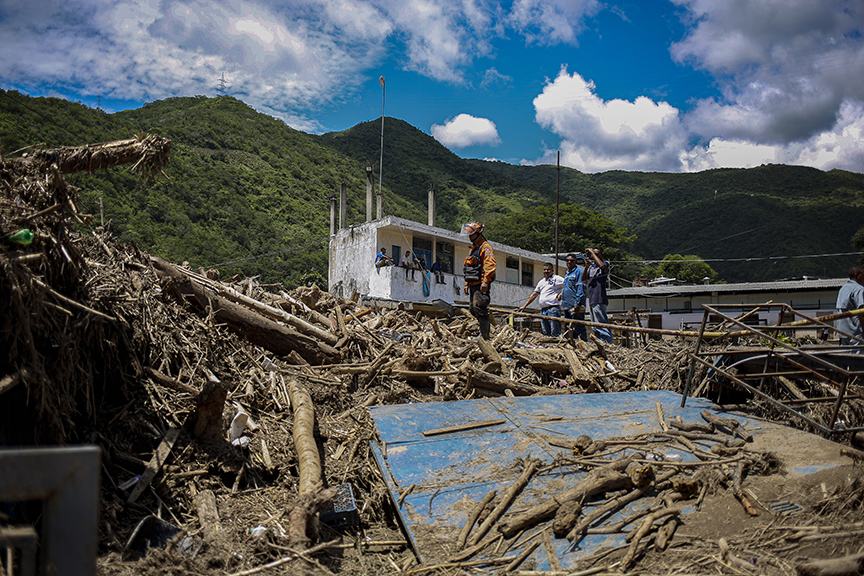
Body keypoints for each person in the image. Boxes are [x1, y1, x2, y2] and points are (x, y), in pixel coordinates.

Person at [463, 221, 496, 339]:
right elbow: (469, 267)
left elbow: (490, 266)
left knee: (480, 308)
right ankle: (483, 330)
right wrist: (466, 284)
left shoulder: (485, 247)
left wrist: (486, 281)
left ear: (478, 234)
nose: (470, 238)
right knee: (472, 308)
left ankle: (485, 335)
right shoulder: (473, 249)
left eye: (472, 235)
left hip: (481, 283)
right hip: (473, 283)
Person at [519, 262, 564, 337]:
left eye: (548, 270)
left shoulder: (557, 278)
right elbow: (534, 295)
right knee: (545, 333)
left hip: (553, 308)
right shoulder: (541, 282)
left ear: (552, 270)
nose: (546, 271)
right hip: (543, 310)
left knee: (555, 332)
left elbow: (568, 284)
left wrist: (561, 295)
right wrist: (524, 306)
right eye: (545, 270)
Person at [586, 246, 614, 343]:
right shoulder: (592, 267)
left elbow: (602, 266)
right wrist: (586, 266)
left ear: (602, 255)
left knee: (601, 323)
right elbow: (584, 278)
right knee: (595, 325)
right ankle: (599, 341)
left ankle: (606, 342)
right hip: (592, 298)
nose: (594, 256)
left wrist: (592, 253)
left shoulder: (605, 264)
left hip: (599, 297)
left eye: (597, 254)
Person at [560, 253, 587, 341]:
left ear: (575, 261)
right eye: (567, 260)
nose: (569, 262)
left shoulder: (579, 272)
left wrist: (576, 304)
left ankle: (582, 344)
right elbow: (567, 287)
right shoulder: (567, 273)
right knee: (568, 327)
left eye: (571, 260)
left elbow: (580, 289)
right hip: (566, 305)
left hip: (575, 306)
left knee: (578, 327)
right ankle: (570, 343)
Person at [836, 266, 864, 350]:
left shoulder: (843, 289)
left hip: (843, 330)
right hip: (855, 331)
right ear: (856, 275)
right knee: (858, 357)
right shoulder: (859, 289)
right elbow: (861, 311)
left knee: (846, 357)